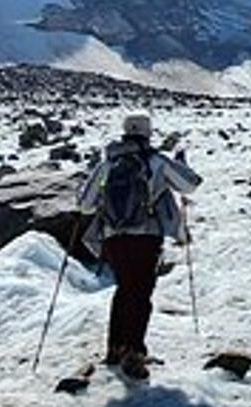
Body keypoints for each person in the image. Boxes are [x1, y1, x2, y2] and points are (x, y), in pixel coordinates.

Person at [75, 113, 201, 381]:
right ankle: (134, 353)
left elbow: (85, 204)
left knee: (124, 289)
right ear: (147, 132)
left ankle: (115, 348)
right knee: (140, 293)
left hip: (113, 238)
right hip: (146, 237)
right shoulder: (155, 161)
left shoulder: (108, 163)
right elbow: (189, 186)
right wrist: (180, 164)